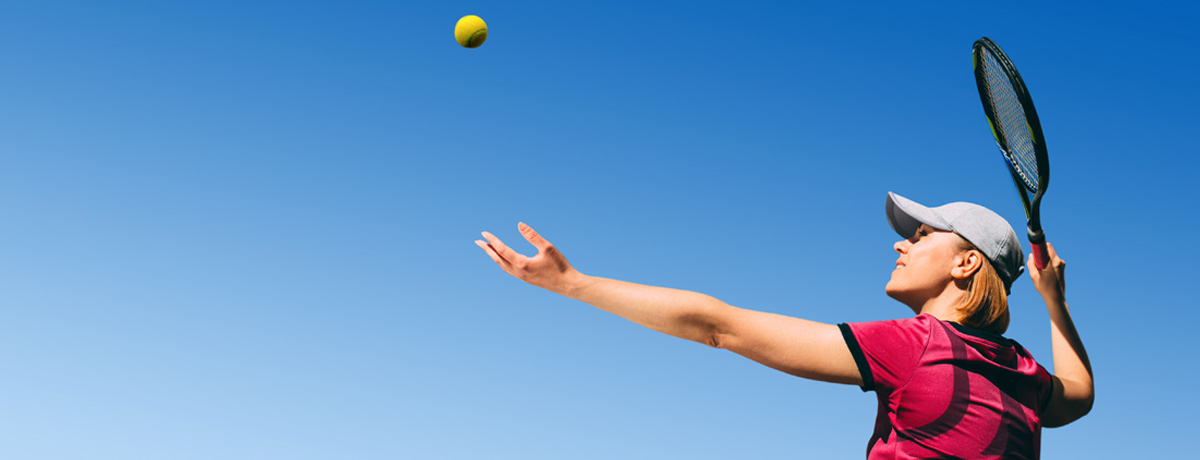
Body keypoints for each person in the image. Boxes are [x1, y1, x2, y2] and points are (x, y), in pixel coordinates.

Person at [474, 192, 1093, 459]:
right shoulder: (1021, 371)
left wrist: (572, 283)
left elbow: (719, 326)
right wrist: (1055, 304)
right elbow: (1080, 396)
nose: (903, 245)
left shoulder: (913, 347)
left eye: (923, 235)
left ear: (965, 264)